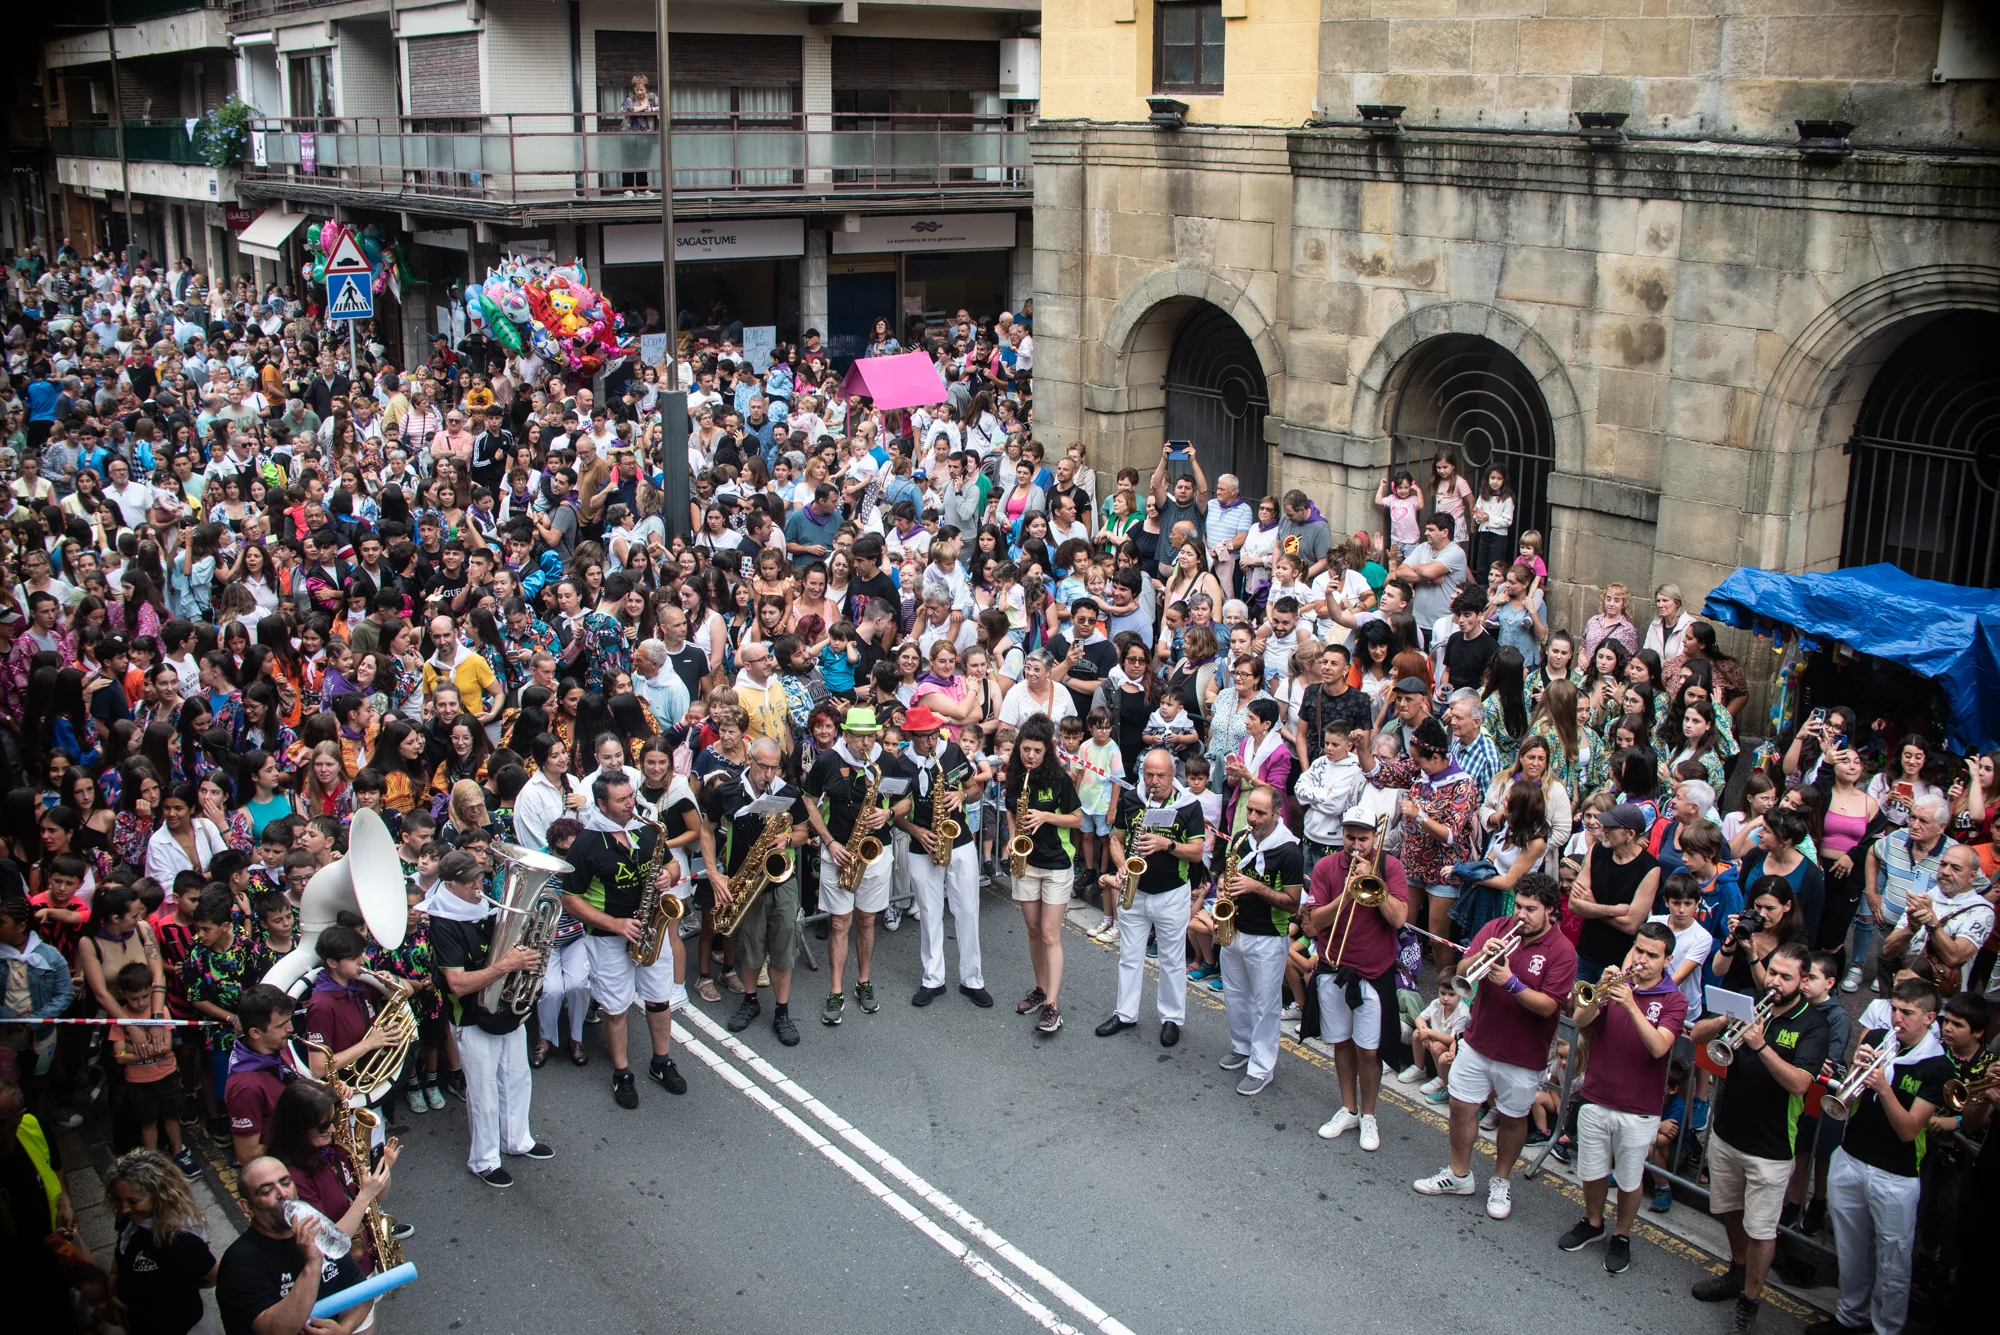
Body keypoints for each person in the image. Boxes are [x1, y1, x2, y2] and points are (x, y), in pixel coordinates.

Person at [1412, 874, 1575, 1222]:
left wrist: (1511, 983)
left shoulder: (1562, 951)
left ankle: (1500, 1181)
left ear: (1550, 910)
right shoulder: (1498, 928)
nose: (1521, 915)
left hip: (1523, 1054)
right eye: (1519, 906)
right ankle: (1459, 1174)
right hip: (1479, 1040)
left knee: (1514, 1119)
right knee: (1460, 1106)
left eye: (1531, 909)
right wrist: (1479, 957)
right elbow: (1461, 971)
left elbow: (1549, 1006)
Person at [1691, 941, 1828, 1330]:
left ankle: (1751, 1299)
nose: (1775, 982)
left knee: (1761, 1230)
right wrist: (1723, 1020)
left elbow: (1800, 1084)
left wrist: (1761, 1045)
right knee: (1727, 1210)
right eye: (1773, 972)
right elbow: (1698, 1035)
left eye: (1786, 976)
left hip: (1771, 1147)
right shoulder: (1749, 999)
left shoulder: (1813, 1026)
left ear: (1804, 981)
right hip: (1727, 1132)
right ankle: (1737, 1270)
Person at [1555, 923, 1687, 1275]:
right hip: (1597, 1095)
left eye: (1652, 955)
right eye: (1638, 950)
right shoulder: (1616, 985)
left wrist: (1630, 1005)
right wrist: (1600, 990)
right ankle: (1593, 1222)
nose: (1642, 959)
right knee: (1592, 1170)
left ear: (1667, 960)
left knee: (1629, 1179)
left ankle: (1622, 1235)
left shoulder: (1674, 1000)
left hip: (1638, 1108)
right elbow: (1580, 1019)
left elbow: (1659, 1047)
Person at [1819, 979, 1949, 1335]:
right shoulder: (1878, 1039)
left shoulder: (1938, 1066)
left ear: (1929, 1018)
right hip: (1852, 1156)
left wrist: (1883, 1087)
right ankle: (1850, 1316)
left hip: (1895, 1174)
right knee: (1851, 1247)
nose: (1897, 1019)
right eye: (1894, 1009)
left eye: (1907, 1012)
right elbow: (1848, 1100)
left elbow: (1909, 1129)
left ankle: (1886, 1328)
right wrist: (1856, 1069)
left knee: (1893, 1261)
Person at [427, 849, 553, 1185]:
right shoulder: (443, 923)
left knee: (517, 1076)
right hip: (471, 1016)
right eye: (470, 882)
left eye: (480, 878)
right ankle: (483, 1160)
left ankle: (517, 1140)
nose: (479, 887)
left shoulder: (484, 907)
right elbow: (457, 984)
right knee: (483, 1093)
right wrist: (508, 965)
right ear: (450, 885)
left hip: (504, 1010)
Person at [562, 774, 688, 1107]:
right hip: (608, 938)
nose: (630, 804)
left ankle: (661, 1061)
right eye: (621, 800)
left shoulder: (647, 829)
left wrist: (668, 875)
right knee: (616, 1008)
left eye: (631, 796)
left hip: (651, 929)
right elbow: (570, 899)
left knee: (659, 1000)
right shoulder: (586, 844)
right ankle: (622, 1072)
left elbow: (673, 866)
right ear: (601, 804)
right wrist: (615, 924)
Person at [1306, 792, 1410, 1149]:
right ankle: (1348, 1109)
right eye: (1350, 837)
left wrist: (1373, 882)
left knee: (1369, 1050)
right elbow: (1315, 922)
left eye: (1363, 838)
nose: (1355, 845)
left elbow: (1399, 919)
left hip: (1373, 973)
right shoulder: (1325, 867)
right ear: (1342, 834)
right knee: (1341, 1043)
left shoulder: (1390, 868)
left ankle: (1369, 1115)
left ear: (1374, 838)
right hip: (1334, 967)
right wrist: (1347, 895)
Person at [1093, 747, 1206, 1047]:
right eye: (1148, 775)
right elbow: (1116, 840)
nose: (1154, 781)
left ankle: (1171, 1018)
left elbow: (1196, 852)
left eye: (1161, 776)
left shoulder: (1188, 805)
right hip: (1136, 889)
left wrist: (1166, 844)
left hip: (1172, 893)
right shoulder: (1132, 799)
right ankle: (1124, 1013)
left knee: (1172, 959)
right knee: (1129, 955)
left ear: (1173, 774)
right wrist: (1122, 866)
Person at [709, 738, 811, 1044]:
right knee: (750, 946)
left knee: (783, 949)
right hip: (745, 881)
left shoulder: (789, 793)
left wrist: (787, 840)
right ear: (749, 761)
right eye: (763, 766)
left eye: (774, 767)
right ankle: (750, 1000)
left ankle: (782, 1011)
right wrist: (714, 873)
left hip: (781, 881)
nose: (768, 774)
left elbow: (803, 831)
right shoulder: (727, 791)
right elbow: (706, 829)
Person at [1210, 783, 1304, 1096]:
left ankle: (1262, 1068)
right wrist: (1223, 888)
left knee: (1265, 1006)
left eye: (1260, 813)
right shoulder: (1240, 839)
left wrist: (1256, 887)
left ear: (1277, 814)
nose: (1252, 817)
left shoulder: (1289, 851)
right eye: (1250, 810)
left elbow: (1292, 903)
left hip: (1267, 938)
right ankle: (1242, 1046)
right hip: (1235, 930)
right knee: (1235, 996)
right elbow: (1227, 877)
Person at [804, 707, 896, 1026]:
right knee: (840, 923)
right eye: (859, 737)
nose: (866, 743)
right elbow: (808, 799)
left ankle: (864, 981)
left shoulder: (886, 761)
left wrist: (889, 814)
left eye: (870, 736)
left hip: (875, 851)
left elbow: (905, 800)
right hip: (838, 851)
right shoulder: (828, 760)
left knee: (867, 920)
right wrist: (829, 841)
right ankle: (835, 990)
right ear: (845, 735)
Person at [894, 706, 989, 1008]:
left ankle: (972, 979)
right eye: (924, 737)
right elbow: (895, 813)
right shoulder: (901, 764)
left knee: (968, 910)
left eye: (934, 734)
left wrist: (961, 795)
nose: (931, 742)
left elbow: (974, 789)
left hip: (959, 842)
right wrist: (916, 831)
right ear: (911, 736)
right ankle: (932, 979)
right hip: (922, 844)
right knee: (929, 913)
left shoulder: (952, 752)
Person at [214, 1156, 371, 1335]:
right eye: (267, 1191)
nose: (282, 1193)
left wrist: (343, 1329)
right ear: (247, 1207)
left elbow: (361, 1293)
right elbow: (275, 1330)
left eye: (286, 1183)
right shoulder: (240, 1262)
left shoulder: (316, 1231)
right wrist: (313, 1264)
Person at [1003, 714, 1084, 1034]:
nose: (1031, 756)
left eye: (1037, 751)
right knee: (1033, 930)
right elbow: (1011, 809)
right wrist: (1012, 838)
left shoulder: (1059, 778)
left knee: (1050, 934)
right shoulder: (1015, 774)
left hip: (1056, 863)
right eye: (1026, 749)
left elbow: (1077, 819)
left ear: (1047, 750)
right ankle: (1040, 988)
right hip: (1027, 862)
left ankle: (1052, 1005)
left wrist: (1047, 817)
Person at [105, 1147, 219, 1335]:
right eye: (119, 1199)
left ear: (159, 1195)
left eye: (133, 1201)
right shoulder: (131, 1219)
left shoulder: (181, 1241)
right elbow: (122, 1248)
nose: (124, 1208)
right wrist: (114, 1278)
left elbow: (212, 1275)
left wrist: (174, 1291)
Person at [1879, 843, 1992, 995]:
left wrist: (1932, 921)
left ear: (1972, 876)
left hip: (1942, 999)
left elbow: (1954, 957)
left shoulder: (1981, 911)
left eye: (1956, 868)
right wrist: (1910, 928)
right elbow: (1888, 950)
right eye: (1943, 864)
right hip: (1906, 994)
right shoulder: (1925, 897)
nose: (1945, 871)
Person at [1571, 802, 1663, 983]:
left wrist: (1592, 905)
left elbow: (1631, 925)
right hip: (1585, 953)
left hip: (1619, 962)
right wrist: (1614, 910)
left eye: (1611, 827)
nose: (1604, 829)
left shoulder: (1649, 868)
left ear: (1630, 834)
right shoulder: (1596, 851)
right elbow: (1574, 905)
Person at [224, 983, 312, 1167]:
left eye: (289, 1020)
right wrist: (306, 1138)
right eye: (281, 1025)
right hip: (287, 1169)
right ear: (255, 1033)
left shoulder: (277, 1047)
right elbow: (247, 1155)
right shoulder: (245, 1087)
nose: (290, 1028)